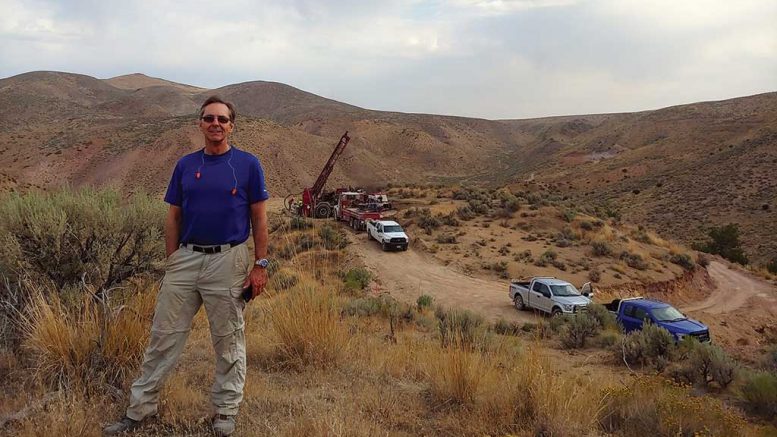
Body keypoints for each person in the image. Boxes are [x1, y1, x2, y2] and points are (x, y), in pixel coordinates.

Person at [105, 96, 269, 436]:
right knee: (163, 337)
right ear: (199, 124)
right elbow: (173, 216)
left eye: (223, 119)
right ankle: (139, 410)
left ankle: (225, 411)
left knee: (228, 339)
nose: (216, 124)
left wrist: (260, 264)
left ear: (232, 125)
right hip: (186, 259)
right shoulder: (184, 165)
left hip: (229, 258)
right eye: (209, 118)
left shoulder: (248, 164)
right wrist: (173, 259)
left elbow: (259, 217)